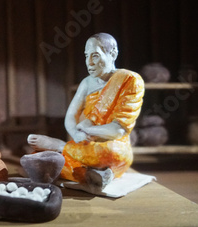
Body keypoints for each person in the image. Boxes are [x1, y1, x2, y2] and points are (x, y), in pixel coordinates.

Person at [28, 33, 144, 189]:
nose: (89, 62)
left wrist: (88, 129)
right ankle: (94, 175)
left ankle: (59, 146)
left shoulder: (129, 80)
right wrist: (76, 134)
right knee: (40, 160)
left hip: (111, 146)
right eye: (86, 56)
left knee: (109, 152)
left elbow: (118, 130)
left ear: (113, 54)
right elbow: (71, 116)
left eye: (95, 56)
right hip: (83, 145)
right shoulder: (87, 83)